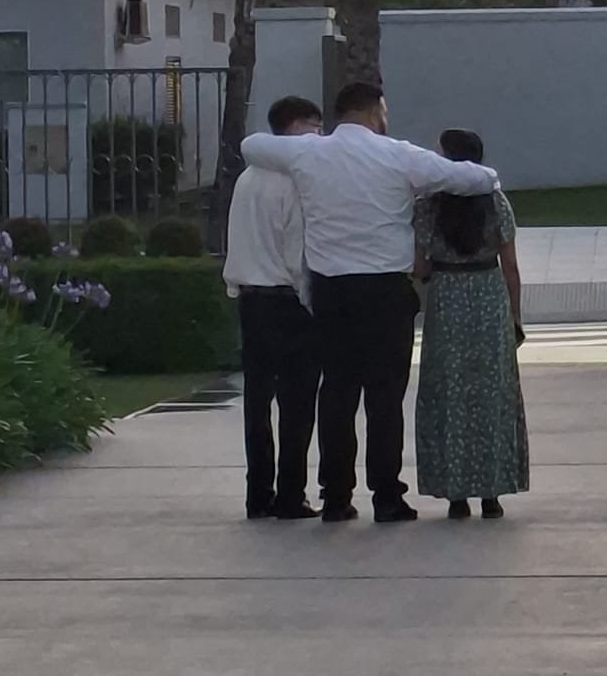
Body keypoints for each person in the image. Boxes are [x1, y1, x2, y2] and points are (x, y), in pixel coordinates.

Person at [242, 82, 500, 524]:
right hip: (384, 291)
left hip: (331, 290)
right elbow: (473, 177)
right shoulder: (398, 155)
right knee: (384, 398)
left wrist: (303, 142)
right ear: (376, 111)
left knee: (337, 394)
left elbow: (251, 146)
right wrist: (489, 178)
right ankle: (386, 495)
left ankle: (336, 495)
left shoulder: (308, 152)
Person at [413, 128, 530, 520]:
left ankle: (455, 493)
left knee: (449, 392)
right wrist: (515, 315)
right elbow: (510, 265)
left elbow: (420, 264)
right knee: (491, 392)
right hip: (488, 292)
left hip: (447, 296)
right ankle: (491, 492)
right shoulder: (496, 202)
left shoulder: (428, 206)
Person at [223, 95, 324, 520]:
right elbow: (296, 251)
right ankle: (291, 494)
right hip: (287, 301)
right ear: (296, 127)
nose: (319, 135)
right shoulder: (293, 181)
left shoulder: (247, 179)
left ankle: (258, 493)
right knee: (297, 405)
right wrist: (312, 303)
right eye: (315, 126)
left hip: (251, 299)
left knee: (258, 402)